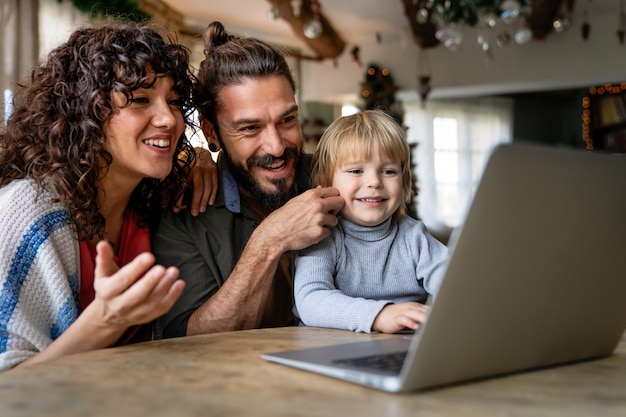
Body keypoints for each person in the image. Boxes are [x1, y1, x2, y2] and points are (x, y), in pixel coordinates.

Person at [0, 22, 214, 371]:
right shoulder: (27, 210)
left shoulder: (153, 198)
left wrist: (205, 160)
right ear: (86, 112)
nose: (169, 119)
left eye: (174, 102)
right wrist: (104, 322)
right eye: (141, 99)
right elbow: (7, 386)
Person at [153, 21, 344, 337]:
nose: (277, 146)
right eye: (250, 128)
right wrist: (269, 239)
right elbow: (190, 342)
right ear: (211, 131)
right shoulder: (182, 212)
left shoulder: (341, 178)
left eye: (287, 120)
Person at [293, 110, 449, 334]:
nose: (374, 182)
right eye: (356, 170)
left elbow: (456, 287)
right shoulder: (322, 236)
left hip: (402, 351)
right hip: (329, 349)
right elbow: (311, 301)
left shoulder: (415, 237)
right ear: (324, 181)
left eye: (388, 171)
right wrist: (380, 315)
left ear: (404, 183)